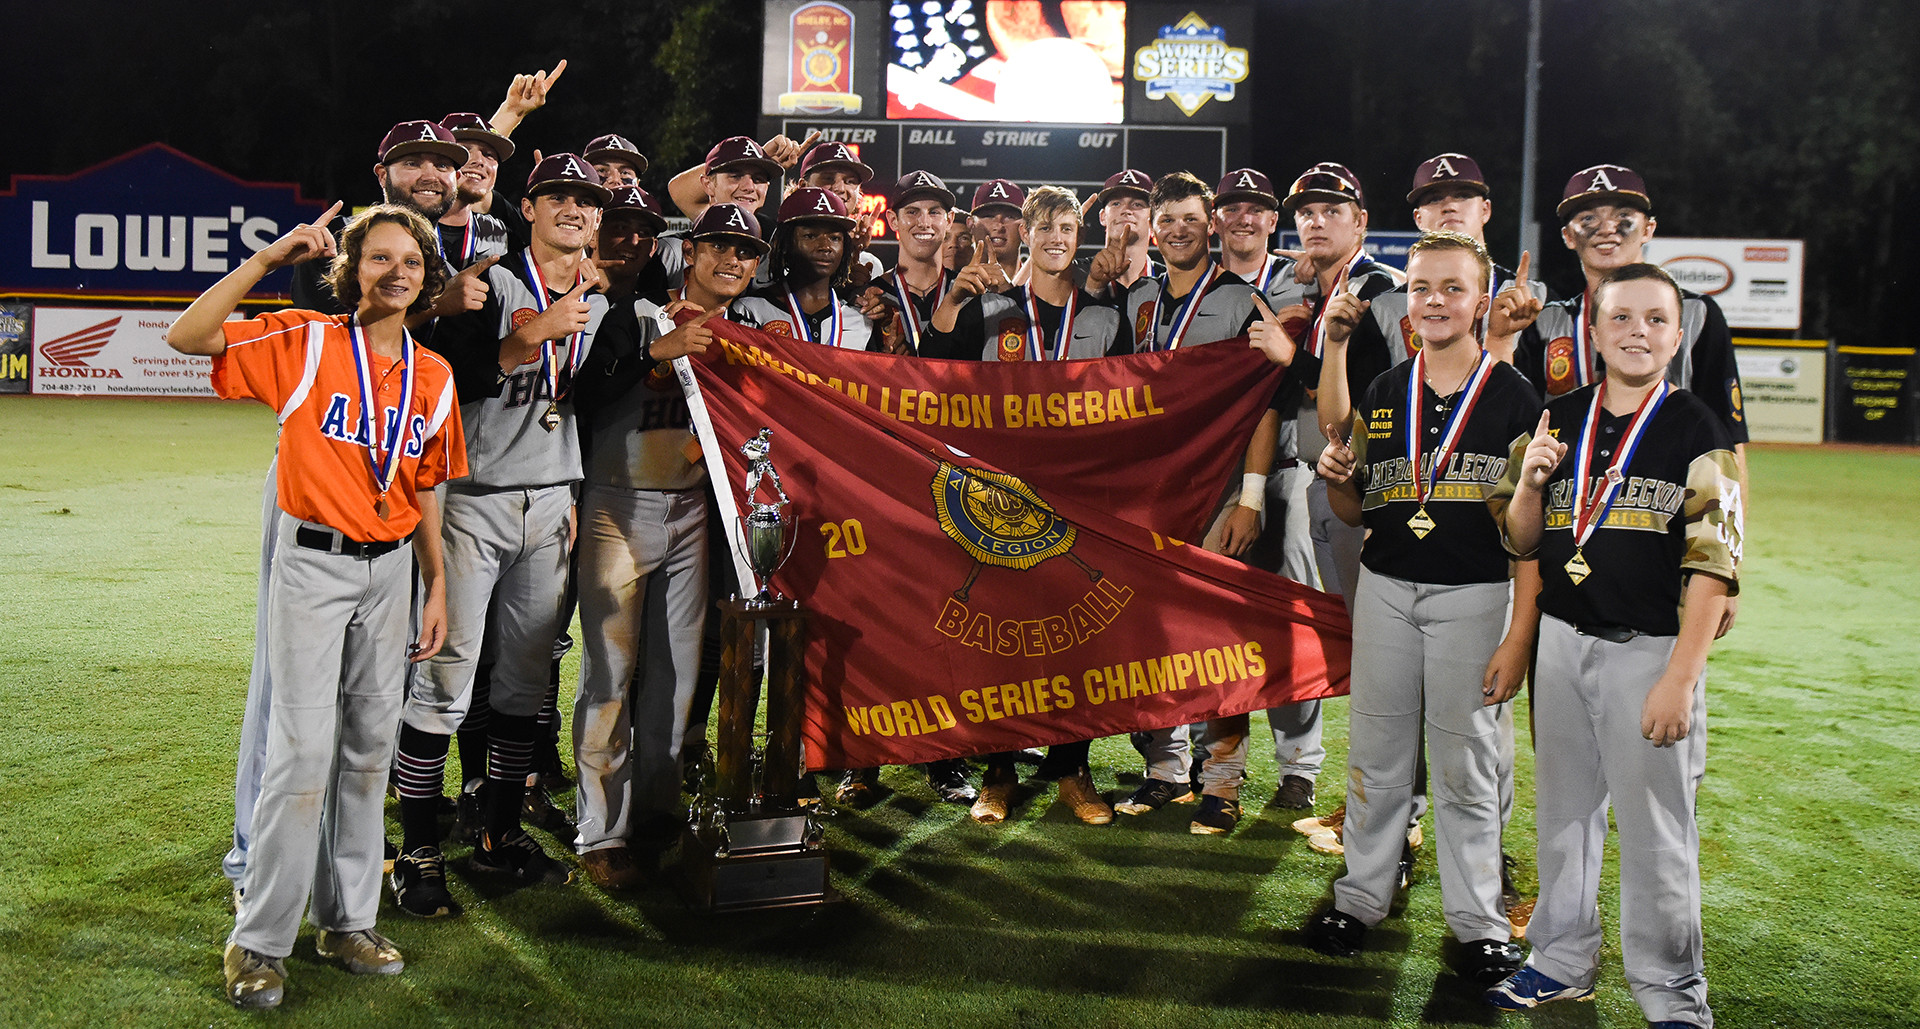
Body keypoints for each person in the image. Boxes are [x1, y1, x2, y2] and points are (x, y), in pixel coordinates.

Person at [166, 203, 465, 1008]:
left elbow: (426, 486)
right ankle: (258, 940)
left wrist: (436, 583)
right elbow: (188, 337)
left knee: (370, 752)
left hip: (393, 569)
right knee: (300, 753)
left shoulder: (434, 375)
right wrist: (266, 263)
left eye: (411, 260)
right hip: (314, 566)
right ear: (353, 269)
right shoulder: (305, 340)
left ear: (426, 276)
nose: (396, 271)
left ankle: (347, 920)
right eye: (379, 258)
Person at [1486, 263, 1741, 1029]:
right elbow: (1518, 537)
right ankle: (1561, 961)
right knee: (1564, 816)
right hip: (1563, 643)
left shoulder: (1698, 425)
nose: (1638, 332)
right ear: (1591, 332)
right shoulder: (1556, 415)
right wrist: (1530, 483)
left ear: (1677, 333)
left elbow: (1714, 564)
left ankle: (1672, 994)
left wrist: (1682, 676)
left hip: (1649, 651)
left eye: (1656, 320)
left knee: (1657, 827)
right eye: (1622, 318)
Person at [1299, 232, 1538, 990]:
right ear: (1407, 300)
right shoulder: (1384, 389)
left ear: (1480, 298)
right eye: (1423, 287)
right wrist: (1339, 472)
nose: (1436, 301)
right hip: (1388, 588)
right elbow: (1356, 506)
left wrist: (1521, 631)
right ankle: (1361, 896)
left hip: (1474, 593)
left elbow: (1525, 531)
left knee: (1467, 759)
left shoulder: (1513, 395)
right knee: (1376, 750)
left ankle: (1478, 922)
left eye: (1454, 288)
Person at [388, 154, 613, 916]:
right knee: (447, 680)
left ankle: (499, 831)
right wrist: (532, 336)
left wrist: (574, 488)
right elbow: (452, 373)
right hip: (473, 499)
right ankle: (418, 849)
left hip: (550, 498)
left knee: (523, 679)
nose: (575, 210)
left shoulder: (601, 300)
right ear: (530, 206)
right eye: (560, 197)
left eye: (588, 201)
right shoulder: (488, 282)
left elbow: (585, 402)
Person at [564, 202, 767, 889]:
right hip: (617, 504)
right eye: (719, 246)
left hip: (691, 510)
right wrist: (655, 351)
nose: (732, 261)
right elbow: (585, 393)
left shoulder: (752, 334)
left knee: (677, 678)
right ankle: (600, 828)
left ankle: (658, 813)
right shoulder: (638, 312)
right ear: (690, 251)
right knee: (609, 675)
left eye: (745, 251)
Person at [1108, 171, 1264, 836]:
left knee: (1219, 638)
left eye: (1189, 220)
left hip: (1216, 492)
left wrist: (1250, 497)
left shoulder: (1239, 300)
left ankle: (1223, 781)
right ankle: (1164, 769)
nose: (1176, 230)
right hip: (1149, 496)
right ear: (1151, 227)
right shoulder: (1138, 300)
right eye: (1165, 219)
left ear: (1211, 227)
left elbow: (1267, 402)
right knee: (1150, 636)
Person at [1212, 166, 1325, 812]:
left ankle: (1299, 766)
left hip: (1284, 471)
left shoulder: (1297, 282)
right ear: (1218, 219)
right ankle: (1220, 771)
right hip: (1215, 477)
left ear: (1271, 221)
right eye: (1235, 207)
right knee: (1217, 629)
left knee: (1289, 626)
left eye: (1258, 208)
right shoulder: (1204, 288)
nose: (1246, 218)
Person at [731, 187, 882, 351]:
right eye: (810, 236)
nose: (825, 247)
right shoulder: (750, 311)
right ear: (785, 243)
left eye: (834, 238)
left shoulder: (860, 320)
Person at [873, 171, 962, 358]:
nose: (923, 223)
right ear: (892, 220)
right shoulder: (871, 301)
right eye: (912, 212)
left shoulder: (967, 296)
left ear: (949, 220)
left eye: (934, 212)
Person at [1074, 169, 1158, 294]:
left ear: (1152, 220)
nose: (1126, 210)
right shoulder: (1075, 273)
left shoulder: (1169, 282)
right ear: (1102, 216)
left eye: (1137, 204)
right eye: (1116, 203)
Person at [969, 179, 1026, 284]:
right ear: (970, 224)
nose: (999, 226)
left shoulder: (1041, 289)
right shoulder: (951, 287)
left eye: (1010, 217)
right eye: (989, 216)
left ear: (1025, 227)